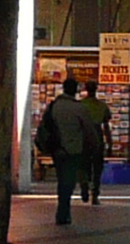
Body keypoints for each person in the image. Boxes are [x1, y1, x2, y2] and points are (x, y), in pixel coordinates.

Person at [41, 75, 102, 224]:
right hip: (73, 149)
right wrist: (95, 146)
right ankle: (63, 212)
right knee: (68, 181)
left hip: (56, 148)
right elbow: (89, 130)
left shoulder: (54, 106)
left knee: (62, 179)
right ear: (75, 90)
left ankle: (63, 211)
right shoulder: (79, 108)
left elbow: (44, 126)